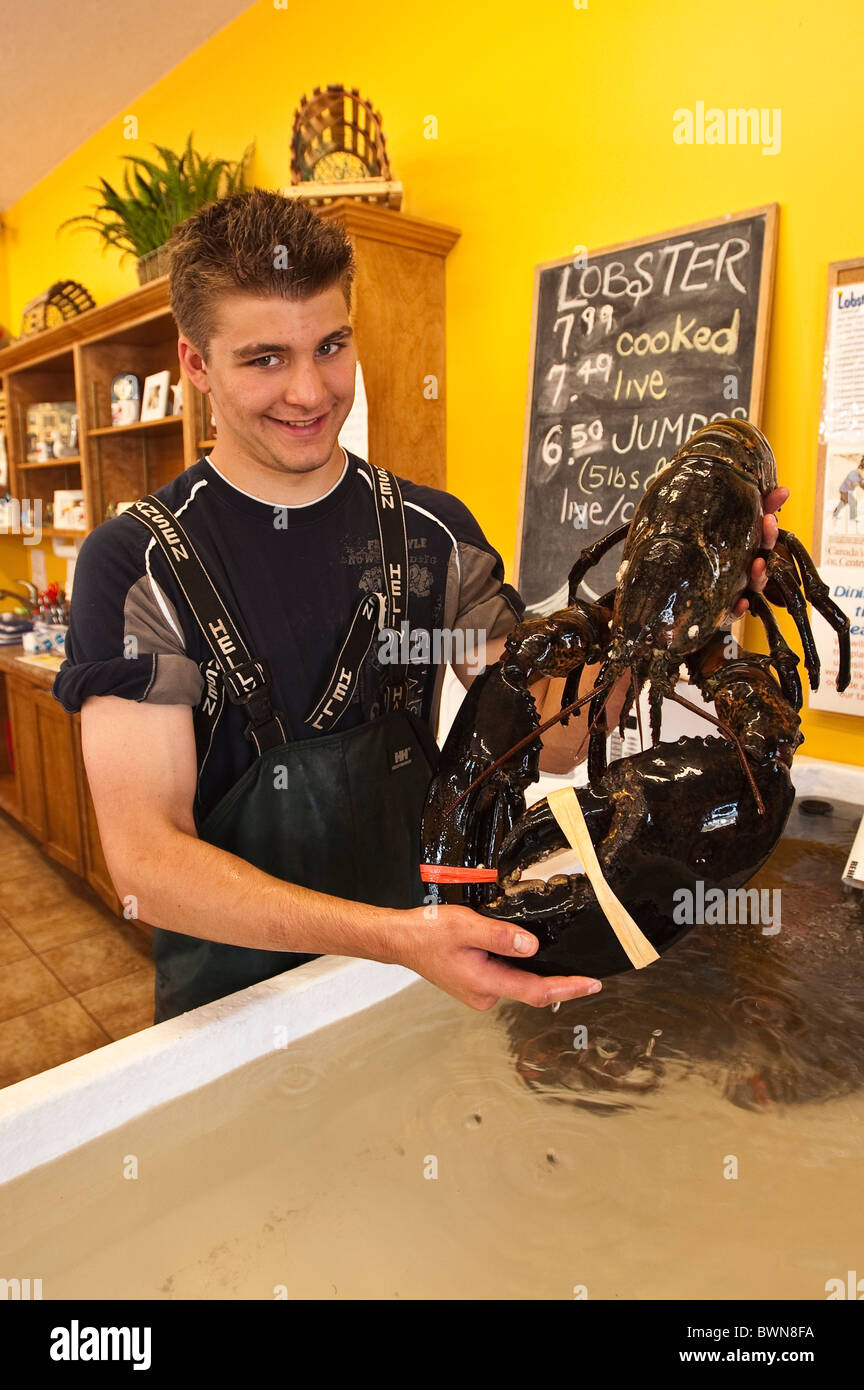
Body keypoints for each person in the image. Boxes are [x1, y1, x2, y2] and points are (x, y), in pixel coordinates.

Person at [52, 188, 788, 1023]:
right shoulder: (134, 563)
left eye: (331, 345)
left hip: (418, 983)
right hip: (233, 1014)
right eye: (264, 359)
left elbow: (556, 738)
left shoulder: (438, 534)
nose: (309, 390)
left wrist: (694, 602)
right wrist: (388, 935)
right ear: (194, 364)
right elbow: (147, 865)